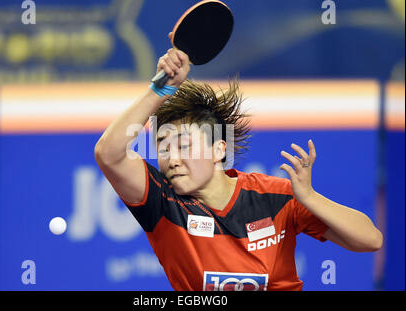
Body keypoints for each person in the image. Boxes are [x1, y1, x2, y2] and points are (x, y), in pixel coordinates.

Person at [94, 48, 383, 291]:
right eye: (163, 147)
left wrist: (309, 198)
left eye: (183, 146)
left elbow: (370, 240)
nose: (172, 159)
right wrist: (160, 89)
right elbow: (108, 153)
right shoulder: (162, 202)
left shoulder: (275, 196)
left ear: (219, 150)